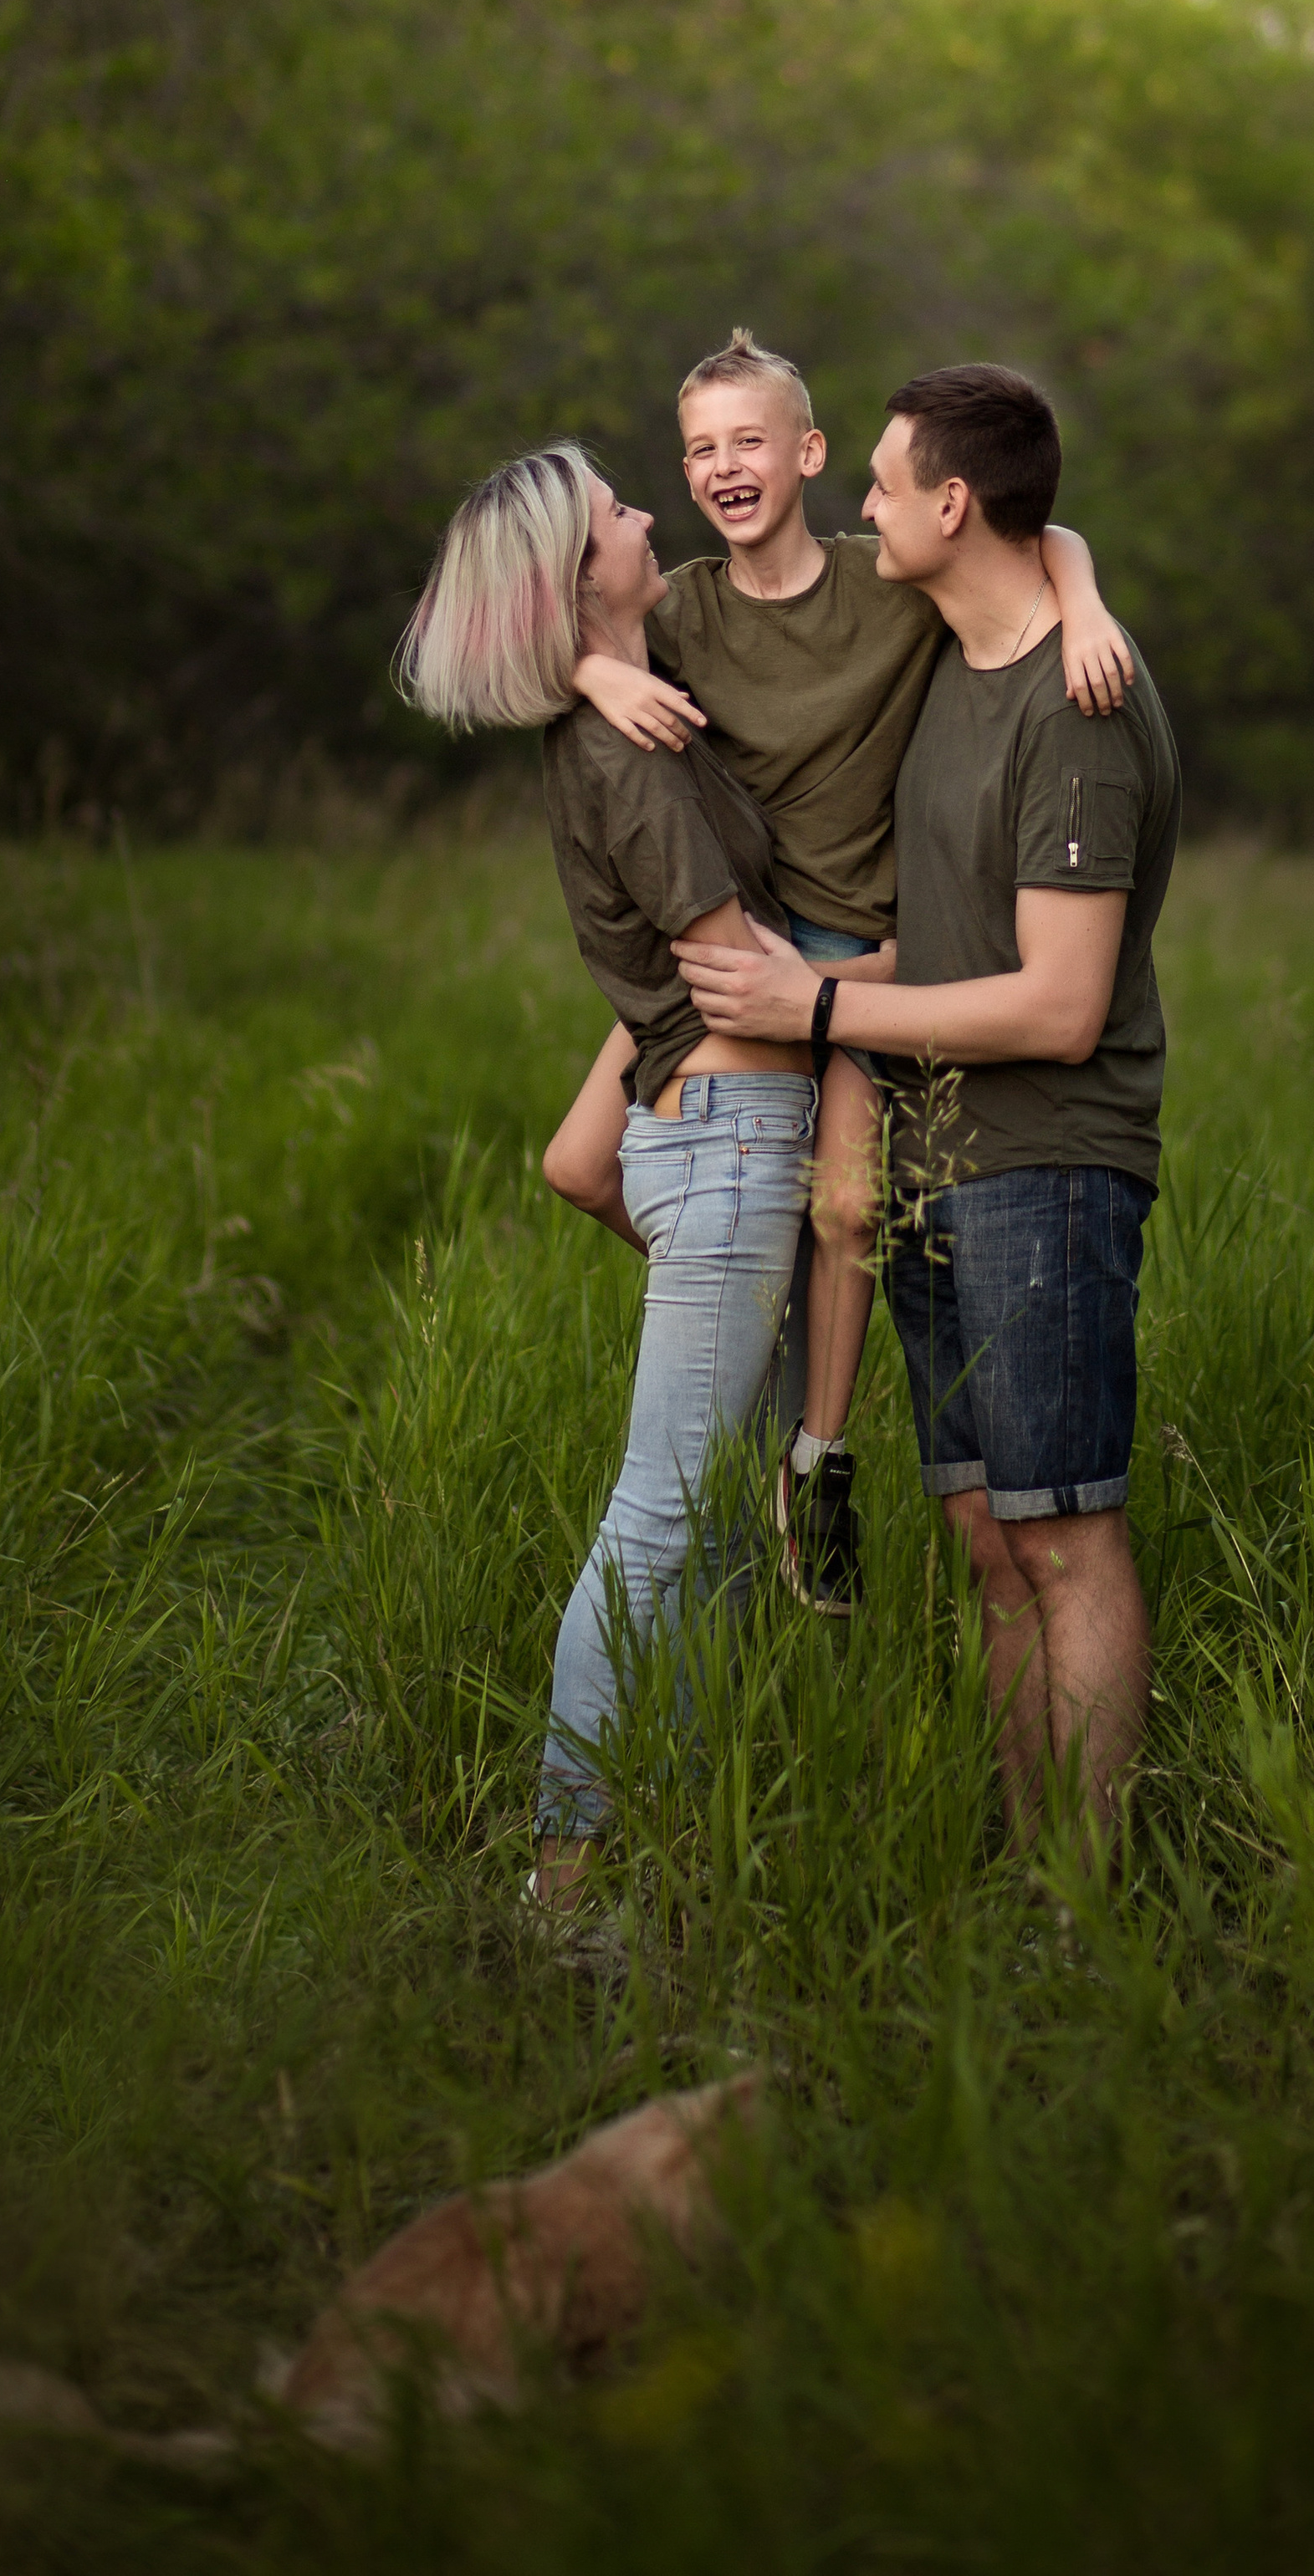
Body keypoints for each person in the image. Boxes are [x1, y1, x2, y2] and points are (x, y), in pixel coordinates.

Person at [542, 329, 1134, 1623]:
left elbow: (1039, 540)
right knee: (577, 1167)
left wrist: (1084, 607)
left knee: (850, 1210)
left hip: (864, 957)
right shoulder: (683, 608)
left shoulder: (888, 581)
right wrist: (588, 664)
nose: (722, 467)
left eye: (750, 440)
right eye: (698, 448)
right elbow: (532, 637)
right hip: (732, 940)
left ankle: (818, 1463)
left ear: (808, 454)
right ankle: (748, 1321)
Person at [673, 362, 1180, 1858]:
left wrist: (815, 1009)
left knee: (1063, 1535)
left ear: (951, 506)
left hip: (1046, 1162)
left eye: (886, 485)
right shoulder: (961, 663)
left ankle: (1085, 1912)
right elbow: (952, 945)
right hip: (935, 1158)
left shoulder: (1077, 705)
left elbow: (1056, 1005)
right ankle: (1036, 1875)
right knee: (984, 1533)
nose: (868, 508)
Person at [397, 443, 815, 1908]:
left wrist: (589, 667)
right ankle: (563, 1877)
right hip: (729, 1136)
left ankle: (663, 1843)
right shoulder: (618, 747)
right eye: (619, 515)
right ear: (580, 580)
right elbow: (735, 969)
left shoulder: (635, 710)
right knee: (661, 1518)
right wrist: (944, 978)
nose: (651, 513)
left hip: (712, 1137)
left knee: (717, 1530)